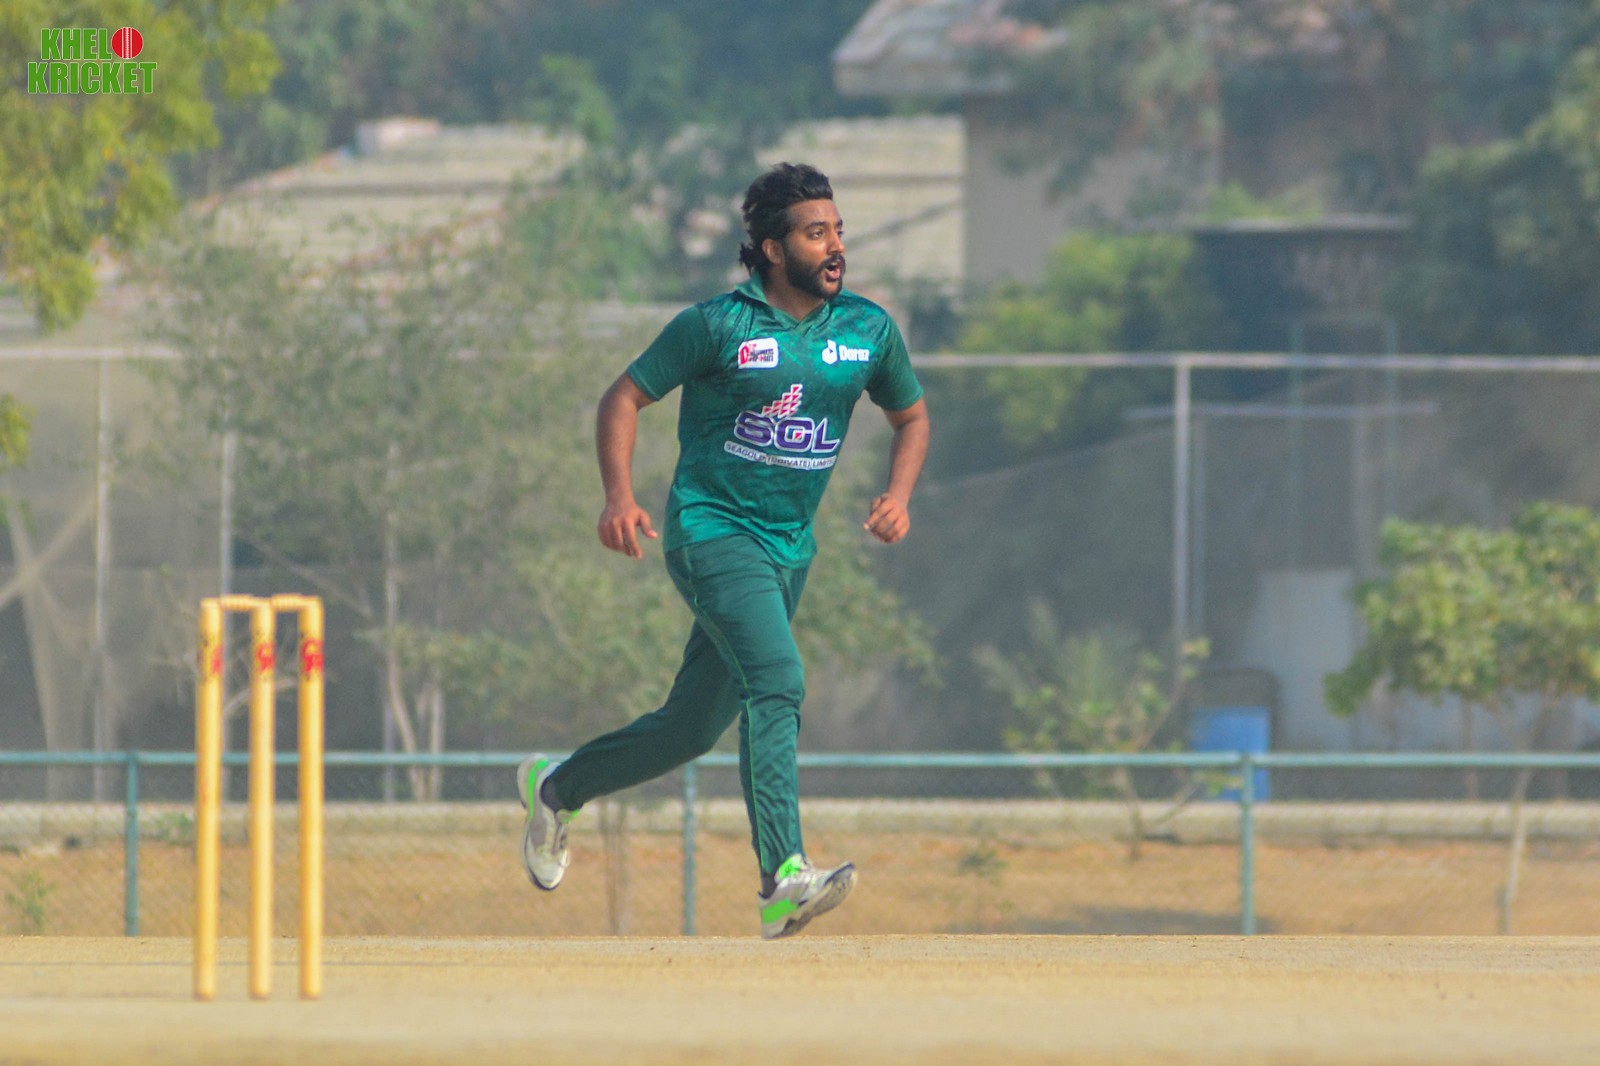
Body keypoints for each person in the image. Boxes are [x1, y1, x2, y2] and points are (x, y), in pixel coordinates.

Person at [517, 162, 930, 939]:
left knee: (691, 728)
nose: (835, 247)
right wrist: (618, 496)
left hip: (788, 551)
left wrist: (899, 495)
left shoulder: (868, 330)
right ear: (773, 249)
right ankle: (782, 880)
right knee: (776, 680)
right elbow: (624, 396)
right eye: (816, 234)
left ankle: (557, 788)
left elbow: (911, 417)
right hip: (711, 533)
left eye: (838, 231)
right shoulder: (717, 326)